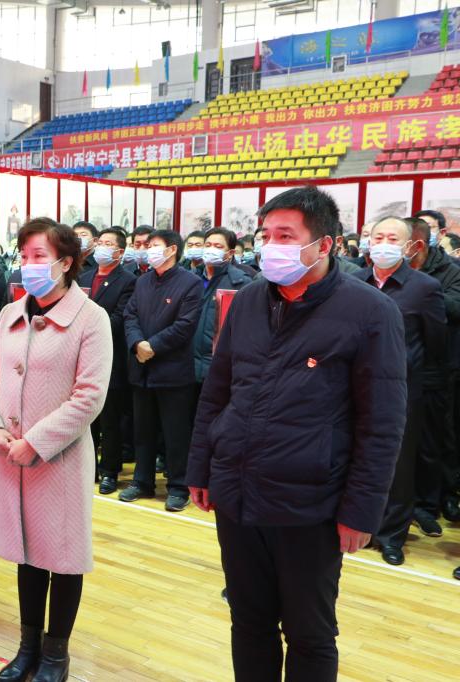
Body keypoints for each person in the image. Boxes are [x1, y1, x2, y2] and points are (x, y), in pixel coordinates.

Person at [187, 186, 407, 682]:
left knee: (310, 634)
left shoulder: (371, 311)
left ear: (325, 244)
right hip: (238, 493)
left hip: (310, 504)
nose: (271, 246)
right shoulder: (248, 300)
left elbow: (382, 424)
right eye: (266, 235)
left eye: (286, 236)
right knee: (249, 622)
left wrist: (361, 510)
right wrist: (201, 469)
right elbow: (217, 392)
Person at [0, 217, 111, 682]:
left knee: (62, 558)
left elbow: (89, 397)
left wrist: (35, 442)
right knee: (26, 554)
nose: (29, 264)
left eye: (40, 256)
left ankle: (56, 654)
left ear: (65, 263)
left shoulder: (90, 319)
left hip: (59, 460)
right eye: (25, 255)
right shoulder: (9, 314)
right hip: (7, 456)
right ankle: (27, 646)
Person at [354, 217, 446, 565]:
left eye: (393, 239)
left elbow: (435, 340)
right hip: (354, 385)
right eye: (378, 236)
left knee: (399, 464)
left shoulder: (424, 287)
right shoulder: (354, 281)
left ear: (409, 247)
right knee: (356, 457)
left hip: (402, 388)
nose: (383, 244)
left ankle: (391, 535)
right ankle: (359, 525)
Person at [121, 229, 203, 511]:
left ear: (171, 250)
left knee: (175, 433)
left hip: (172, 370)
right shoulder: (143, 281)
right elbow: (130, 315)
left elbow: (185, 325)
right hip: (141, 367)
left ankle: (179, 486)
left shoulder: (190, 283)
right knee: (142, 430)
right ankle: (141, 481)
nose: (148, 250)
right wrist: (137, 343)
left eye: (154, 245)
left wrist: (152, 345)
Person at [407, 216, 460, 531]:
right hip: (398, 365)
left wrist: (422, 292)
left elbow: (455, 309)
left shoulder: (450, 271)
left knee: (435, 439)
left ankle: (434, 500)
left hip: (438, 366)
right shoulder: (386, 273)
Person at [78, 228, 136, 495]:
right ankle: (88, 466)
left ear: (119, 252)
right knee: (87, 418)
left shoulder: (128, 281)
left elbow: (119, 318)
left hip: (111, 355)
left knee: (110, 418)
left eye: (108, 243)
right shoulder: (85, 276)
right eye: (100, 242)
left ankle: (110, 470)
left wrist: (85, 327)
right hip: (82, 355)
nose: (102, 246)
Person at [194, 228, 253, 392]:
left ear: (230, 253)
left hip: (220, 369)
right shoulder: (191, 278)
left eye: (218, 246)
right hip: (187, 368)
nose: (211, 249)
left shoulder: (241, 283)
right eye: (208, 245)